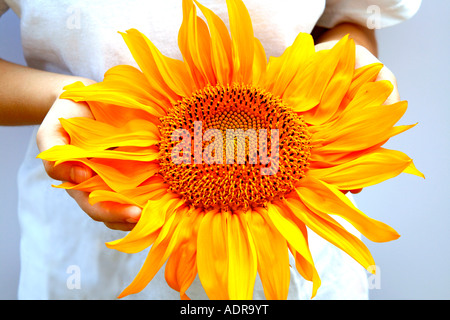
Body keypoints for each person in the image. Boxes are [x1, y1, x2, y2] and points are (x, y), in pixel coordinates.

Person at [0, 0, 421, 299]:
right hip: (92, 208)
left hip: (295, 210)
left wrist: (346, 68)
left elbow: (349, 20)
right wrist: (76, 99)